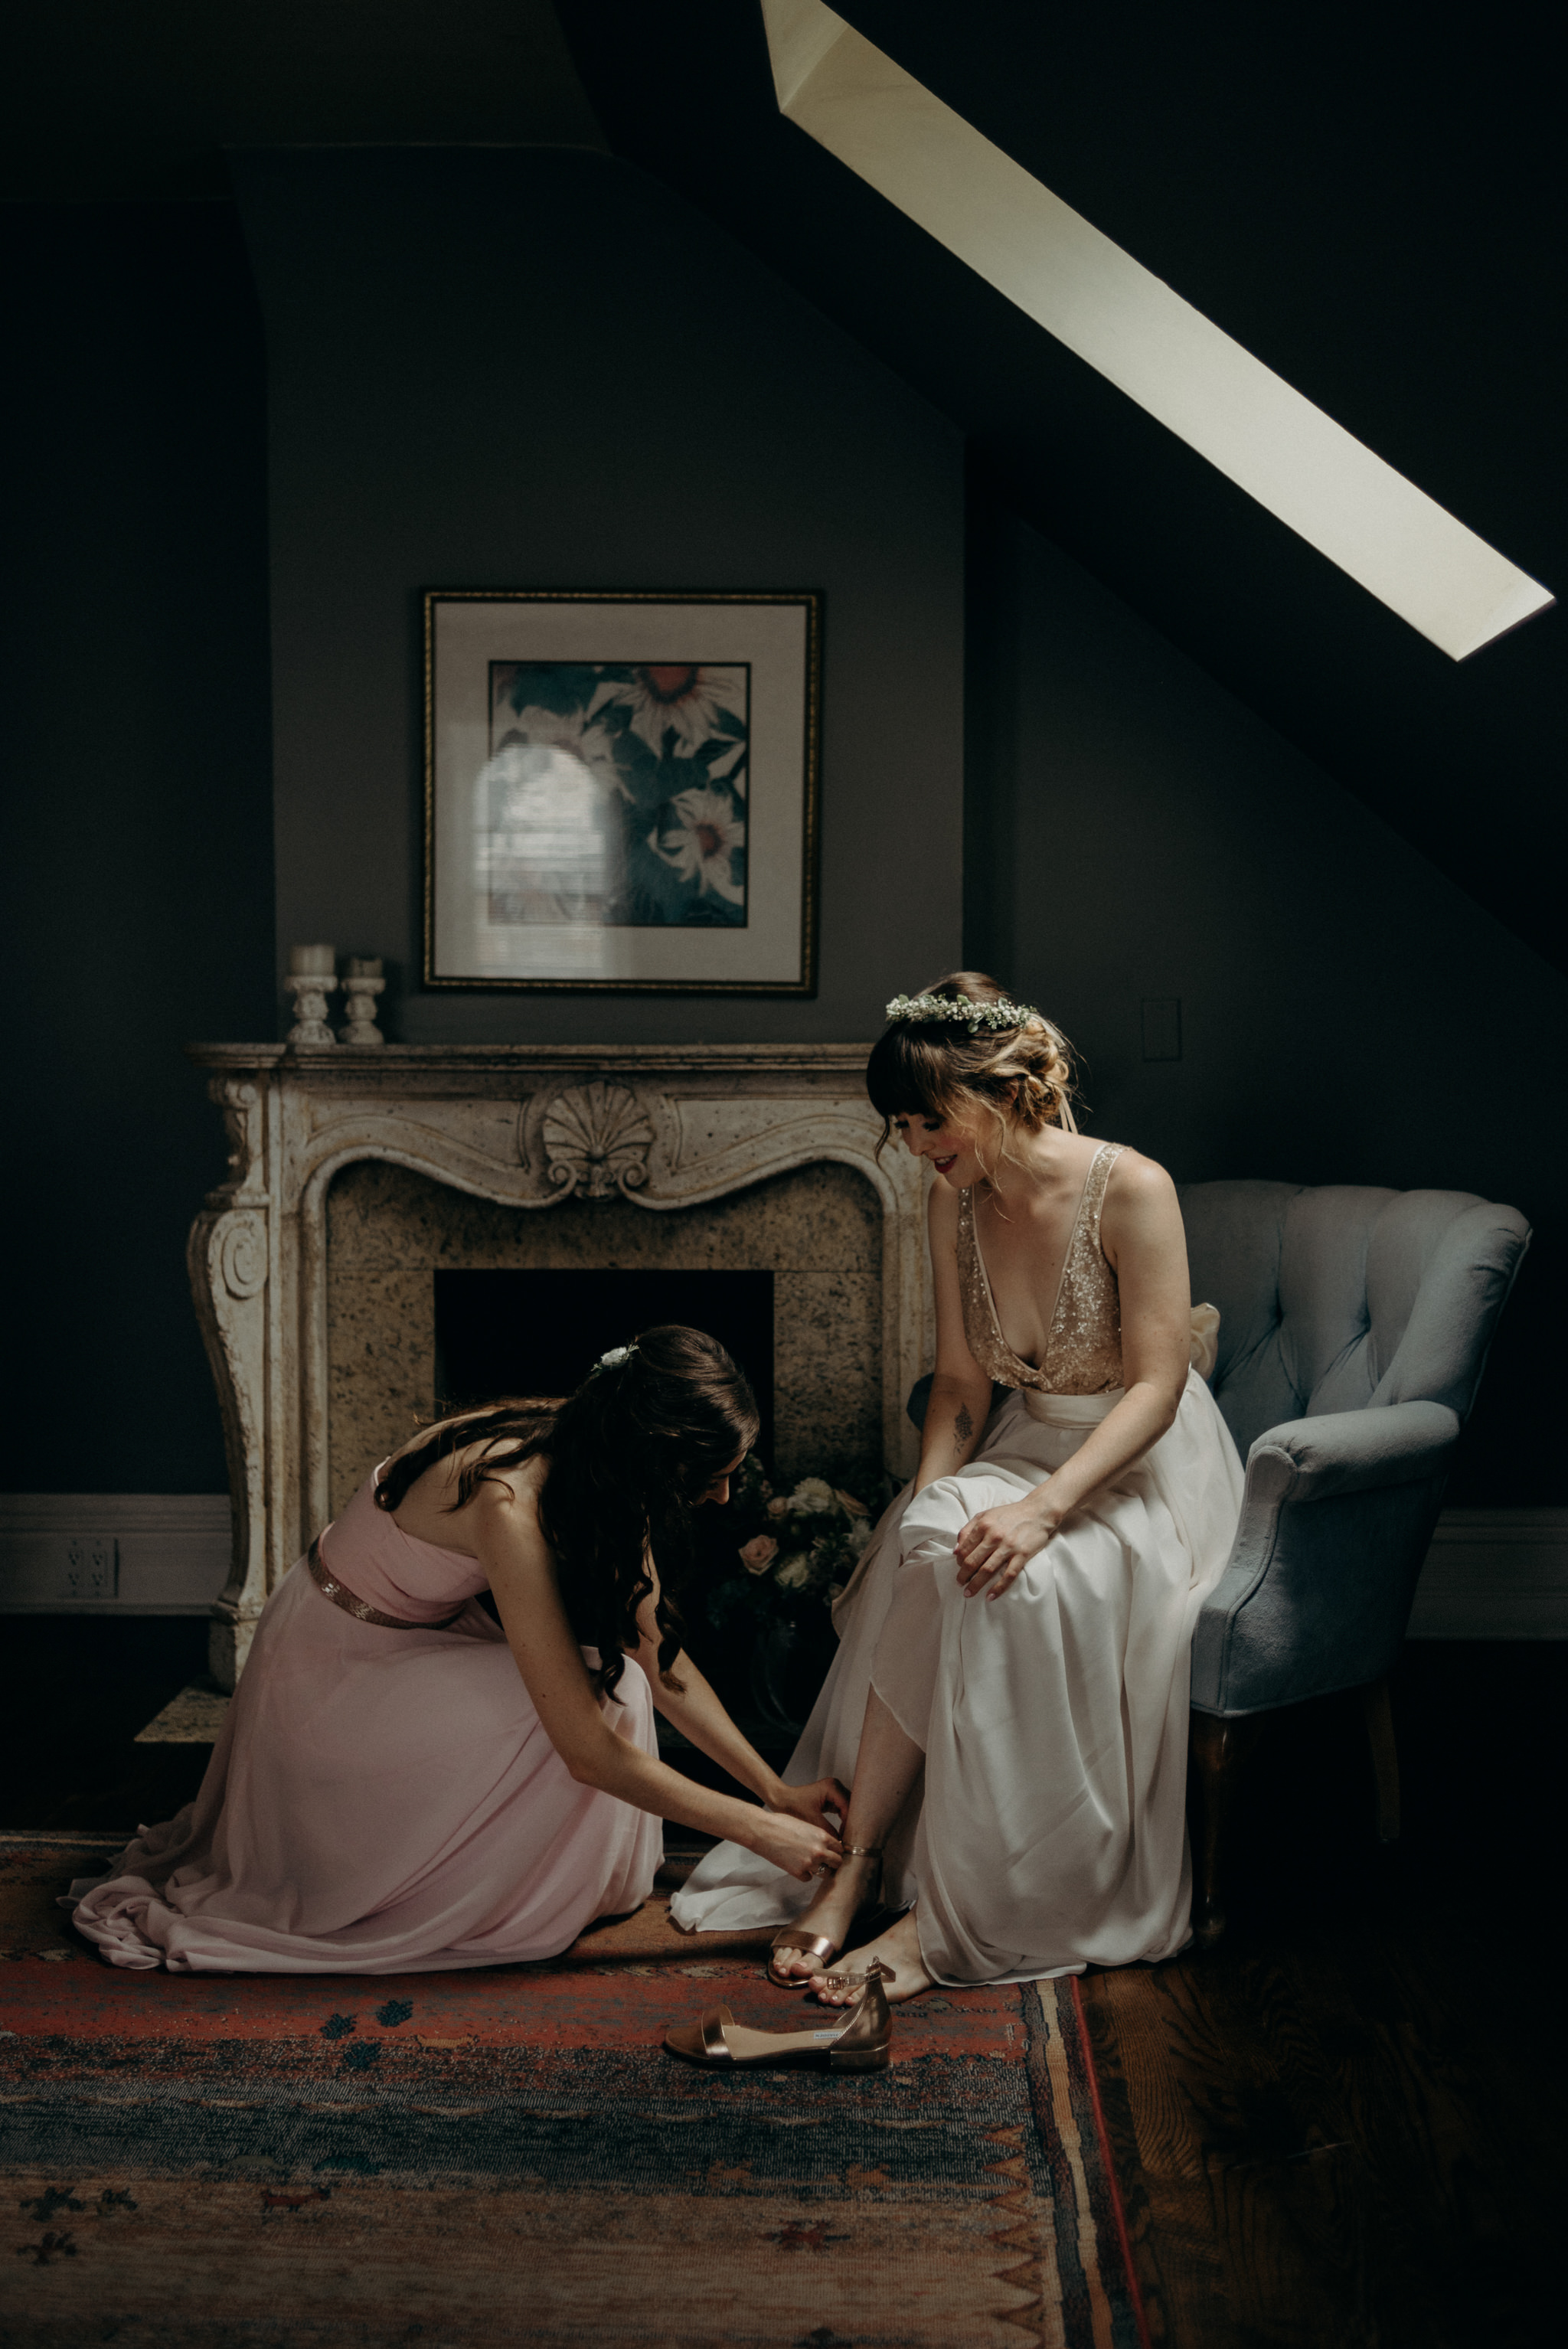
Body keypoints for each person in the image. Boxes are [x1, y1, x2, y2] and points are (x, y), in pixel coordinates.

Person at [671, 976, 1244, 1999]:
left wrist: (1042, 1510)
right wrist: (916, 1509)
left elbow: (1158, 1390)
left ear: (999, 1094)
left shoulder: (1133, 1188)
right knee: (932, 1550)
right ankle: (854, 1873)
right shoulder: (950, 1200)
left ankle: (958, 1910)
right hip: (1023, 1446)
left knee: (1017, 1583)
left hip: (1135, 1470)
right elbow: (961, 1387)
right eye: (897, 1124)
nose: (912, 1142)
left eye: (927, 1119)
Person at [70, 1326, 847, 1973]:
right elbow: (583, 1751)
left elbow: (657, 1654)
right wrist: (754, 1828)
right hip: (331, 1669)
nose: (720, 1496)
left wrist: (775, 1791)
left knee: (622, 1684)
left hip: (409, 1637)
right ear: (657, 1455)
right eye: (713, 1476)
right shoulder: (504, 1498)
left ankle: (548, 1881)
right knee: (585, 1707)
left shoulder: (598, 1445)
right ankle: (480, 1893)